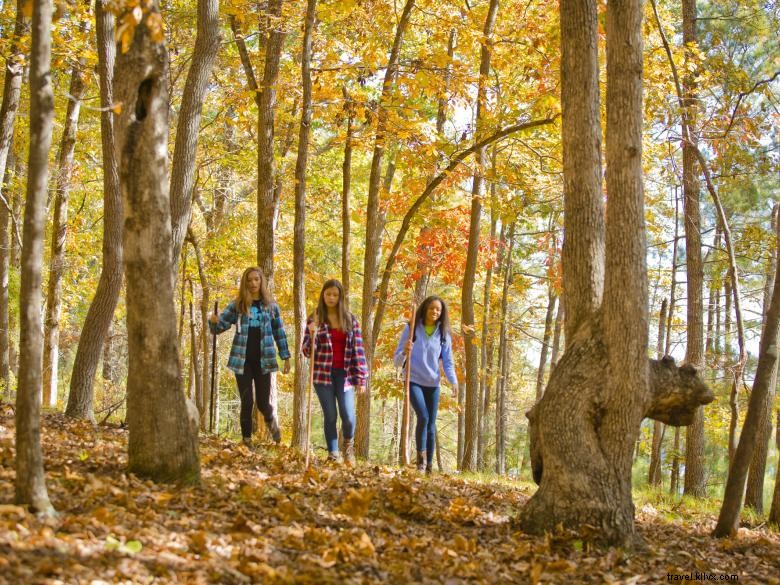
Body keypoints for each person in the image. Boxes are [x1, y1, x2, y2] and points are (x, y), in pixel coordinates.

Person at [209, 267, 291, 447]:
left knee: (263, 404)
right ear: (244, 283)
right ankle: (246, 441)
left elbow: (279, 332)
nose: (253, 283)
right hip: (242, 361)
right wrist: (213, 321)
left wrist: (285, 356)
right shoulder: (238, 305)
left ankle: (274, 429)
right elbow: (219, 328)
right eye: (249, 280)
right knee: (247, 401)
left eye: (256, 279)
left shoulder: (271, 306)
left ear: (261, 282)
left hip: (265, 361)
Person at [302, 279, 367, 465]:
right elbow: (306, 352)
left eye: (335, 295)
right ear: (323, 295)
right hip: (322, 374)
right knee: (330, 414)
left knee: (347, 415)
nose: (331, 297)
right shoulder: (314, 319)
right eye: (328, 294)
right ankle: (333, 453)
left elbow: (359, 349)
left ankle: (348, 446)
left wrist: (361, 378)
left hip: (345, 374)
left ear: (340, 297)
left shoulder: (350, 319)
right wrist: (312, 335)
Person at [394, 295, 458, 473]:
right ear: (425, 309)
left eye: (438, 310)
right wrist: (405, 352)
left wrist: (453, 381)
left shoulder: (444, 335)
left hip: (433, 383)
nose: (435, 312)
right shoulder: (411, 328)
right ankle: (420, 463)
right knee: (423, 416)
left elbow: (448, 362)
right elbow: (397, 361)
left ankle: (429, 465)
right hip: (413, 379)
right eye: (432, 308)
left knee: (431, 424)